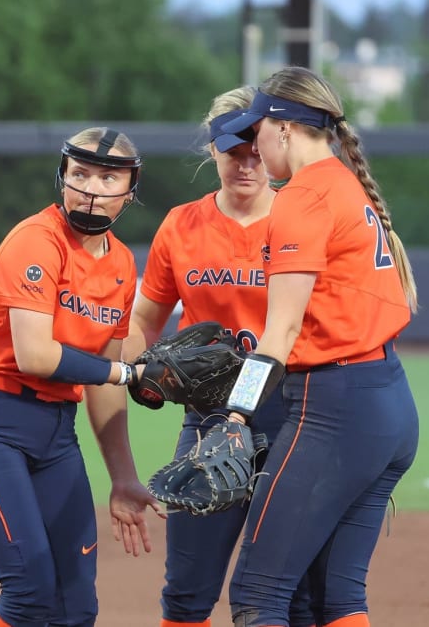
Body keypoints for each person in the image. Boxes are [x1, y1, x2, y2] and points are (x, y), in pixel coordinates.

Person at [0, 126, 162, 627]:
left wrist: (123, 477)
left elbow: (101, 383)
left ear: (130, 190)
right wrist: (126, 372)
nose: (93, 189)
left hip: (54, 430)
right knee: (30, 588)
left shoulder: (121, 263)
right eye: (81, 174)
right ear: (63, 178)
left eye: (108, 177)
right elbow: (36, 355)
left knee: (76, 603)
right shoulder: (36, 241)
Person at [216, 66, 420, 627]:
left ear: (284, 128)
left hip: (336, 410)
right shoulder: (345, 184)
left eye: (256, 130)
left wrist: (236, 412)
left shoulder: (301, 200)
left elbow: (278, 334)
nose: (251, 146)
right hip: (389, 404)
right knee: (337, 598)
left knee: (258, 594)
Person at [122, 87, 316, 627]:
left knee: (292, 594)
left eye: (256, 150)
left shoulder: (304, 220)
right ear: (213, 149)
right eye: (234, 151)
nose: (247, 163)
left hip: (295, 419)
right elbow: (143, 320)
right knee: (186, 591)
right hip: (209, 420)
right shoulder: (182, 225)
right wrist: (134, 371)